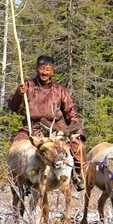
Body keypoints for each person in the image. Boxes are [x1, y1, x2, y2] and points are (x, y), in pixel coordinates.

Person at [7, 55, 86, 189]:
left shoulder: (59, 90)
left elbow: (71, 112)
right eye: (41, 69)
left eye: (47, 69)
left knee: (78, 146)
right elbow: (13, 107)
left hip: (55, 129)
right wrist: (19, 94)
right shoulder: (27, 86)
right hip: (31, 127)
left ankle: (77, 175)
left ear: (52, 71)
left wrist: (77, 132)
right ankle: (19, 181)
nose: (44, 72)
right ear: (37, 69)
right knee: (16, 149)